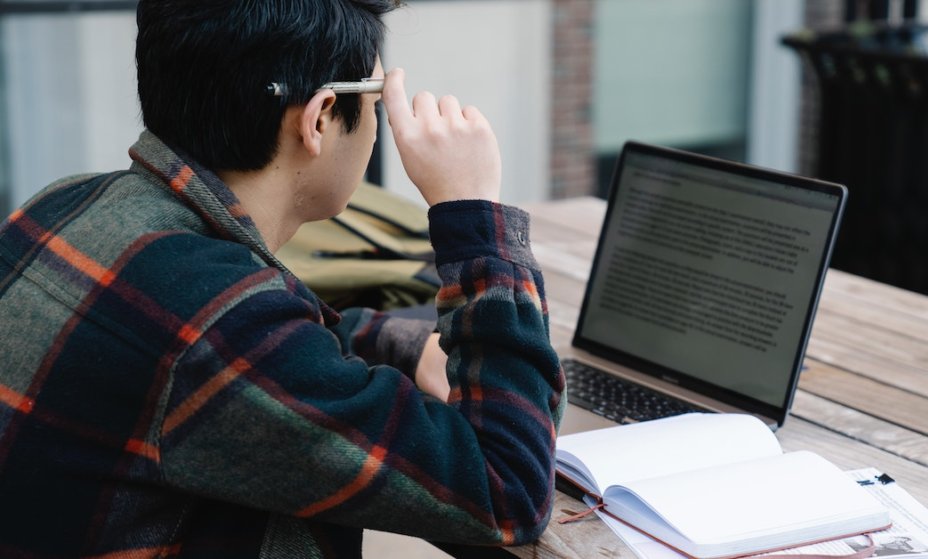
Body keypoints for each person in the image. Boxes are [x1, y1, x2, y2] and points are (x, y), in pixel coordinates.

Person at [0, 0, 564, 557]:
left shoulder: (63, 203)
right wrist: (472, 211)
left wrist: (404, 347)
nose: (379, 123)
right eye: (375, 98)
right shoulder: (222, 322)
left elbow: (254, 347)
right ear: (319, 119)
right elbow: (506, 491)